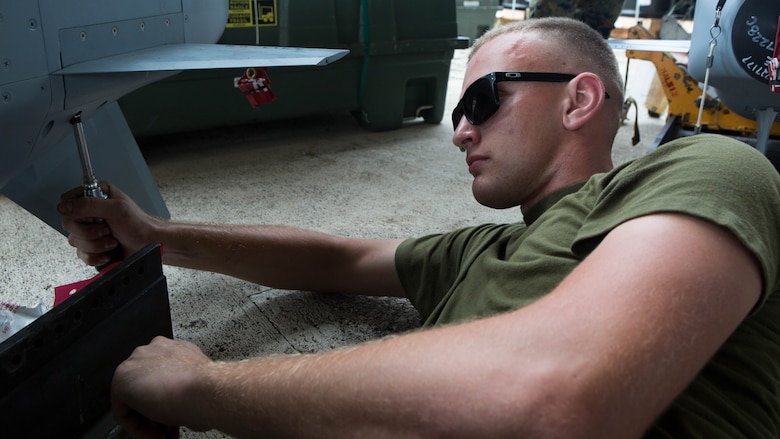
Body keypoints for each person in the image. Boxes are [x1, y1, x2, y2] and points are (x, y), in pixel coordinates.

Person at [58, 17, 780, 438]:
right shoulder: (479, 249)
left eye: (484, 99)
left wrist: (207, 388)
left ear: (579, 100)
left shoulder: (709, 168)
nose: (461, 131)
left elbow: (558, 396)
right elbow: (338, 260)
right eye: (456, 113)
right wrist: (155, 232)